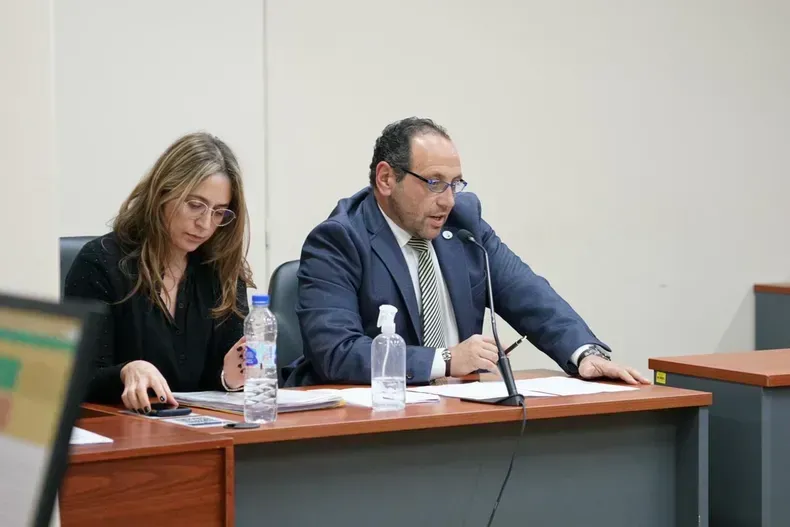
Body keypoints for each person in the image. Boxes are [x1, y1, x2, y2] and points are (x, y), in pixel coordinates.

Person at [283, 117, 649, 387]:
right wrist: (445, 360)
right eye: (434, 183)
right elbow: (337, 351)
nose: (447, 200)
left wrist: (584, 354)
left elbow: (529, 295)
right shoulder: (340, 239)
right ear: (386, 178)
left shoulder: (463, 225)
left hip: (460, 411)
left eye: (454, 184)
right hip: (368, 423)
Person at [64, 132, 255, 413]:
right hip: (120, 427)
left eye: (219, 212)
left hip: (200, 426)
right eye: (195, 205)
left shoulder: (223, 270)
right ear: (162, 193)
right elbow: (78, 376)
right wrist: (126, 371)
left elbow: (218, 373)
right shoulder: (99, 262)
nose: (205, 224)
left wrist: (230, 377)